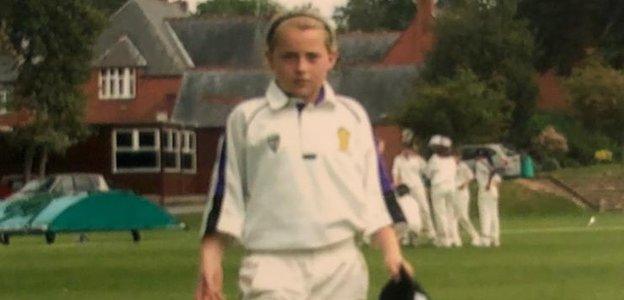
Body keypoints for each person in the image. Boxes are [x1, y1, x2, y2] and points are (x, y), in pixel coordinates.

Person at [196, 10, 412, 300]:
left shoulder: (352, 116)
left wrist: (393, 254)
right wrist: (210, 261)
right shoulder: (246, 119)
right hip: (270, 264)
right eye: (289, 56)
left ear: (331, 58)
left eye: (312, 56)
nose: (301, 67)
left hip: (341, 265)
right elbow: (225, 199)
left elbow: (375, 191)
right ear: (269, 59)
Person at [392, 133, 436, 243]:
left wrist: (427, 185)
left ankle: (431, 233)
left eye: (409, 149)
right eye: (405, 148)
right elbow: (395, 174)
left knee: (424, 209)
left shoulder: (417, 159)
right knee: (406, 211)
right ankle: (406, 235)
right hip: (405, 189)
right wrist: (397, 185)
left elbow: (427, 172)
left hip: (417, 187)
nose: (407, 151)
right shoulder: (398, 159)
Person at [425, 135, 456, 248]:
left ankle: (444, 239)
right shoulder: (452, 159)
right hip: (451, 187)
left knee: (440, 213)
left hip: (439, 186)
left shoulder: (434, 159)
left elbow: (428, 174)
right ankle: (453, 238)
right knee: (450, 213)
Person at [449, 151, 481, 247]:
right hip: (452, 192)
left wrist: (464, 184)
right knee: (453, 217)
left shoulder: (463, 166)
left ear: (459, 157)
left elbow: (471, 177)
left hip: (462, 193)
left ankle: (475, 236)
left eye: (455, 157)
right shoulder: (449, 166)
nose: (454, 159)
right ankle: (456, 239)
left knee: (463, 216)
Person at [475, 149, 502, 247]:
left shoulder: (480, 164)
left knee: (485, 214)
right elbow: (498, 179)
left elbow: (491, 172)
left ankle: (485, 239)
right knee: (494, 214)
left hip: (485, 190)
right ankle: (495, 239)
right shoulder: (490, 163)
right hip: (493, 190)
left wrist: (488, 184)